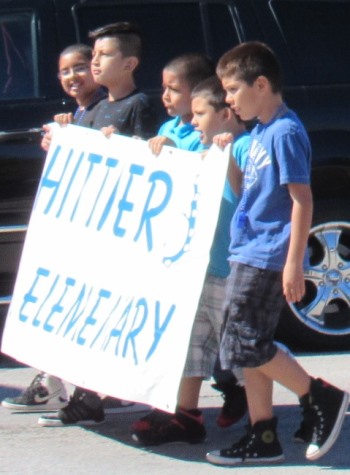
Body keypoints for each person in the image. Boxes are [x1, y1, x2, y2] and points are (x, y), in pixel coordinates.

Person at [205, 41, 349, 466]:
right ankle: (263, 433)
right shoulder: (257, 135)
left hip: (268, 254)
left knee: (243, 344)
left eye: (232, 89)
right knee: (249, 345)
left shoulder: (285, 132)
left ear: (261, 84)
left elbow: (301, 200)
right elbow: (245, 194)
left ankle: (319, 395)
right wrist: (228, 155)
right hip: (247, 250)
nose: (227, 99)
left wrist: (293, 262)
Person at [130, 75, 250, 445]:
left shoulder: (243, 147)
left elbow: (245, 194)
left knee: (246, 353)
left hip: (231, 269)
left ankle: (279, 413)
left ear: (226, 115)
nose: (193, 121)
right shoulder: (201, 149)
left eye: (200, 114)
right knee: (190, 347)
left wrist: (225, 156)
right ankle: (186, 418)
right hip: (200, 268)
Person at [1, 43, 107, 413]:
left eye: (80, 67)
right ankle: (53, 381)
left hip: (97, 227)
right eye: (64, 72)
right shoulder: (79, 114)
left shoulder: (108, 110)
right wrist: (57, 144)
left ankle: (77, 386)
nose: (72, 77)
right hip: (72, 225)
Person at [147, 52, 215, 155]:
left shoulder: (204, 134)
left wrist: (173, 149)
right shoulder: (166, 127)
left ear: (197, 92)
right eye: (164, 88)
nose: (165, 96)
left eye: (174, 90)